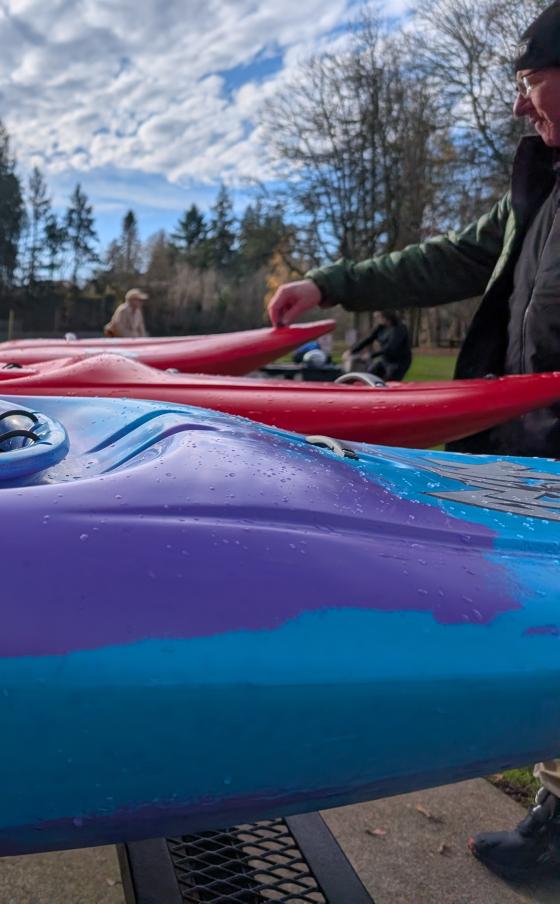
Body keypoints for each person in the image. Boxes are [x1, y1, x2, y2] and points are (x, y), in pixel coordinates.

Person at [266, 1, 560, 879]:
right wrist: (329, 285)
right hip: (537, 458)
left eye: (531, 80)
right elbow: (446, 258)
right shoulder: (537, 189)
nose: (521, 105)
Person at [348, 310, 412, 381]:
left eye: (378, 317)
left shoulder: (399, 328)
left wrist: (371, 355)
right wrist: (352, 351)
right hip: (385, 360)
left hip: (398, 362)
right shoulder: (381, 327)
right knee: (368, 377)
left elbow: (390, 348)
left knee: (389, 381)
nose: (376, 319)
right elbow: (368, 339)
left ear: (386, 317)